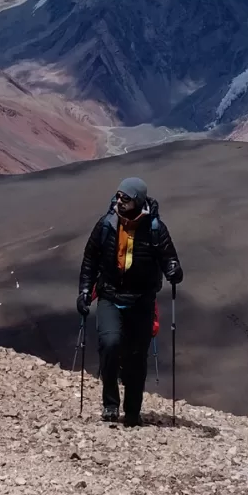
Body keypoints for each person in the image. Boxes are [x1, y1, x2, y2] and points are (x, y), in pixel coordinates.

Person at [77, 177, 183, 426]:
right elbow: (90, 259)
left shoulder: (155, 228)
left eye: (126, 198)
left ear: (138, 200)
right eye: (118, 196)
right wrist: (85, 291)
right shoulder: (106, 224)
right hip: (109, 295)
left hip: (141, 301)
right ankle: (110, 404)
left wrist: (174, 270)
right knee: (110, 344)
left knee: (136, 357)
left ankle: (133, 412)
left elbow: (169, 257)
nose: (120, 201)